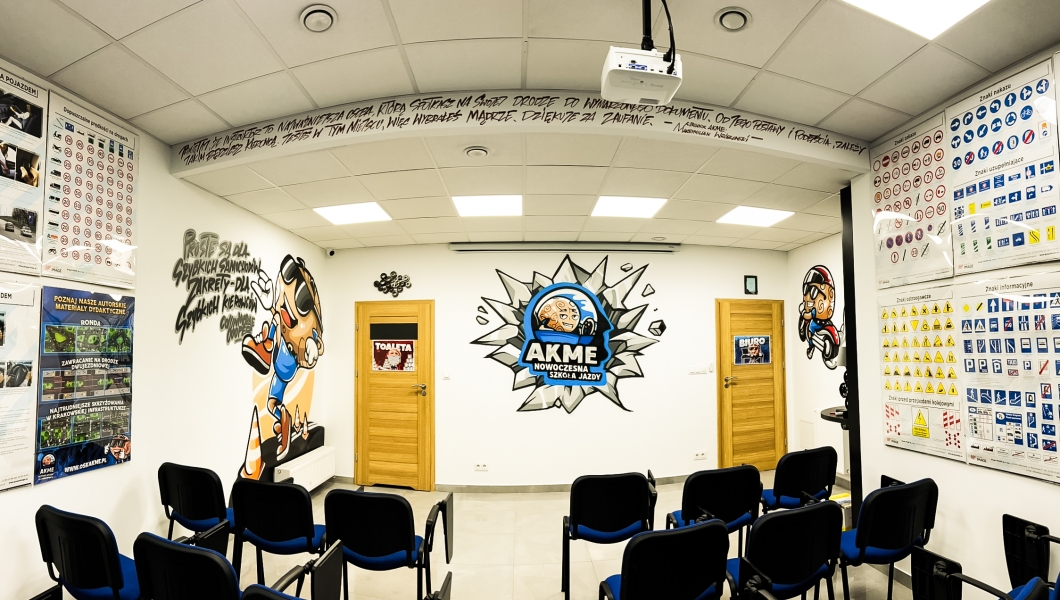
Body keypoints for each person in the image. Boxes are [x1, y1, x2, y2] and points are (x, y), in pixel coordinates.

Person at [241, 256, 324, 460]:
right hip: (283, 362)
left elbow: (314, 348)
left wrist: (311, 349)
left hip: (287, 362)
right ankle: (284, 421)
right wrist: (270, 305)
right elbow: (282, 318)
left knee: (278, 320)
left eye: (303, 302)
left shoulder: (309, 333)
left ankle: (266, 347)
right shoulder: (284, 316)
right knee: (272, 403)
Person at [798, 265, 841, 368]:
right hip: (817, 323)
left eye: (813, 291)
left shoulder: (814, 311)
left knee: (810, 329)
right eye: (806, 290)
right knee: (810, 331)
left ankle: (811, 345)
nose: (808, 297)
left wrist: (803, 313)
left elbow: (808, 315)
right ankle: (811, 346)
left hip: (820, 323)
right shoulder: (813, 310)